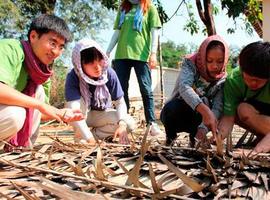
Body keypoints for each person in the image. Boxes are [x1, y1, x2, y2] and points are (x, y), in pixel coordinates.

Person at [0, 14, 84, 150]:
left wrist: (60, 113)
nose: (56, 52)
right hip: (9, 114)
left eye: (61, 47)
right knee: (15, 115)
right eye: (52, 43)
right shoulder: (10, 49)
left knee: (37, 92)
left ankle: (23, 149)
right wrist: (41, 106)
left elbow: (39, 112)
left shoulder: (42, 73)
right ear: (33, 36)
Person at [160, 35, 229, 146]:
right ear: (202, 58)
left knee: (208, 114)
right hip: (179, 110)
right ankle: (170, 138)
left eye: (220, 61)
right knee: (170, 110)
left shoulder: (223, 80)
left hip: (199, 120)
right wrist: (206, 111)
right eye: (209, 61)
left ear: (225, 60)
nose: (215, 66)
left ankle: (195, 140)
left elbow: (218, 106)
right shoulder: (190, 63)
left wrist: (203, 129)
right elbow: (184, 87)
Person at [106, 0, 162, 136]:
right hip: (121, 55)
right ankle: (124, 121)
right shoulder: (123, 8)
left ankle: (151, 123)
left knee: (146, 88)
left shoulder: (149, 8)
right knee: (121, 90)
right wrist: (107, 51)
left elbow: (154, 32)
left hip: (141, 56)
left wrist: (153, 53)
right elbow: (118, 32)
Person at [65, 39, 136, 145]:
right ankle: (82, 137)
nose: (97, 66)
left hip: (100, 114)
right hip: (81, 115)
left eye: (99, 60)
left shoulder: (109, 74)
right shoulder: (73, 76)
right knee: (75, 107)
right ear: (79, 63)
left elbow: (120, 102)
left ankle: (92, 135)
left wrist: (121, 124)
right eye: (90, 62)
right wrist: (90, 141)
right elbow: (74, 109)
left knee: (129, 124)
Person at [218, 41, 270, 153]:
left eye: (259, 81)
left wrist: (256, 152)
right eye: (250, 78)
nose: (253, 84)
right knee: (242, 109)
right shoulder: (234, 80)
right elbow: (228, 118)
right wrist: (218, 139)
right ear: (241, 69)